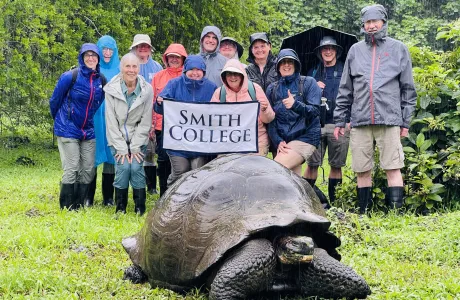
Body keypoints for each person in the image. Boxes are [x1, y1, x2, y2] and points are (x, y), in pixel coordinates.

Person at [333, 4, 417, 214]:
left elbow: (408, 88)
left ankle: (396, 214)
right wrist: (339, 119)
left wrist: (405, 121)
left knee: (393, 166)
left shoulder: (398, 49)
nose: (371, 26)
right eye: (367, 22)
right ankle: (364, 212)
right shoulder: (355, 50)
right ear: (363, 24)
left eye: (375, 22)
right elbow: (345, 88)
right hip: (360, 119)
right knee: (362, 168)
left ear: (383, 22)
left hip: (389, 118)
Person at [49, 43, 105, 210]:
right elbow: (55, 100)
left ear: (98, 59)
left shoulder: (101, 80)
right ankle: (66, 206)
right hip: (67, 128)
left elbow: (98, 103)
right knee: (72, 167)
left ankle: (78, 205)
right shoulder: (70, 76)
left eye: (94, 55)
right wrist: (61, 120)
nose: (90, 58)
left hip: (88, 130)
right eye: (87, 55)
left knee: (88, 168)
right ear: (82, 57)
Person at [154, 55, 217, 186]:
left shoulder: (212, 87)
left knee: (197, 171)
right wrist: (160, 103)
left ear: (203, 71)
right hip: (178, 142)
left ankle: (193, 203)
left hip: (200, 142)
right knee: (180, 171)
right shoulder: (173, 84)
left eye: (199, 70)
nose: (195, 73)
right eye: (191, 69)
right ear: (185, 70)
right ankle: (170, 197)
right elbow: (159, 109)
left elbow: (218, 112)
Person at [104, 53, 154, 215]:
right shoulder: (111, 89)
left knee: (136, 167)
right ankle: (120, 207)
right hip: (117, 139)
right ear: (121, 68)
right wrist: (122, 149)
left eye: (134, 66)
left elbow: (146, 122)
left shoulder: (147, 90)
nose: (131, 70)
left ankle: (140, 206)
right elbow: (111, 123)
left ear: (139, 69)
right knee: (124, 167)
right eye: (127, 66)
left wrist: (134, 148)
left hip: (138, 139)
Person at [303, 36, 349, 206]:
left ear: (336, 51)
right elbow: (304, 95)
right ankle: (308, 201)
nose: (328, 51)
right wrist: (314, 86)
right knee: (312, 163)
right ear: (320, 52)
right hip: (316, 123)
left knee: (336, 165)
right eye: (324, 49)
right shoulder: (313, 72)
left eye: (331, 48)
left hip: (339, 123)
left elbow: (352, 95)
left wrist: (348, 119)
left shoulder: (345, 70)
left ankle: (336, 202)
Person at [267, 49, 322, 175]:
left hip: (305, 136)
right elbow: (271, 120)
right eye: (283, 62)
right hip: (284, 140)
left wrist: (295, 105)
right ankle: (307, 195)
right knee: (291, 179)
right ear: (278, 67)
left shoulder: (309, 83)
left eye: (290, 62)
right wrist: (278, 140)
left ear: (296, 64)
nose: (286, 65)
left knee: (275, 169)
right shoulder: (272, 88)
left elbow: (315, 111)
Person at [210, 59, 274, 156]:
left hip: (255, 142)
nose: (233, 77)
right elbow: (212, 121)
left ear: (242, 75)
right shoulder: (219, 93)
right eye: (229, 74)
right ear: (224, 76)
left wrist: (264, 110)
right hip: (228, 143)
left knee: (251, 170)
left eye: (236, 73)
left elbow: (269, 119)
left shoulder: (255, 89)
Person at [84, 35, 120, 207]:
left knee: (111, 157)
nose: (107, 53)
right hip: (94, 119)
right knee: (92, 156)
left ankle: (108, 197)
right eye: (104, 49)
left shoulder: (121, 70)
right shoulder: (90, 69)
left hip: (113, 119)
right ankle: (88, 197)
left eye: (110, 49)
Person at [150, 43, 188, 196]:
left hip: (184, 127)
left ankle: (180, 194)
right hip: (162, 126)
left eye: (177, 57)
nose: (174, 59)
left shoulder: (188, 76)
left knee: (181, 162)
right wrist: (152, 125)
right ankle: (164, 194)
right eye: (171, 56)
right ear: (166, 58)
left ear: (183, 59)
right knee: (163, 160)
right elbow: (152, 101)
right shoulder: (158, 77)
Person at [129, 34, 162, 195]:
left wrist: (155, 120)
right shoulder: (129, 65)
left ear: (150, 49)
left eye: (146, 46)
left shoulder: (157, 68)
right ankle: (135, 185)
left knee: (150, 151)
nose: (143, 49)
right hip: (132, 114)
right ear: (134, 48)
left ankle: (151, 186)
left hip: (152, 114)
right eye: (140, 46)